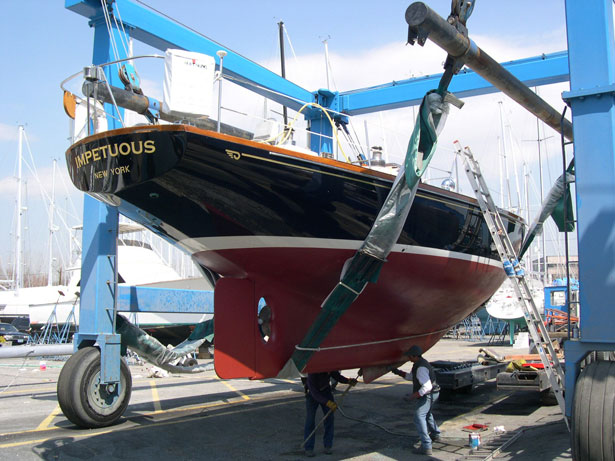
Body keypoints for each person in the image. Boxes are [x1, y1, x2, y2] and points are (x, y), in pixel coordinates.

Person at [391, 345, 441, 456]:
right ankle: (436, 434)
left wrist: (413, 396)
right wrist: (397, 372)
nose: (408, 358)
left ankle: (426, 446)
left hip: (429, 394)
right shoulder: (419, 364)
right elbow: (411, 377)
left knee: (419, 417)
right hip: (434, 393)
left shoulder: (420, 368)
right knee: (427, 413)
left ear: (415, 356)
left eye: (409, 356)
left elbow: (427, 386)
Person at [303, 371, 357, 457]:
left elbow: (336, 376)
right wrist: (327, 402)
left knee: (329, 418)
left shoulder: (328, 367)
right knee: (310, 420)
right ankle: (309, 448)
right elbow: (314, 393)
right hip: (312, 394)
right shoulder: (313, 371)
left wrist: (348, 381)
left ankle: (328, 446)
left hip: (326, 391)